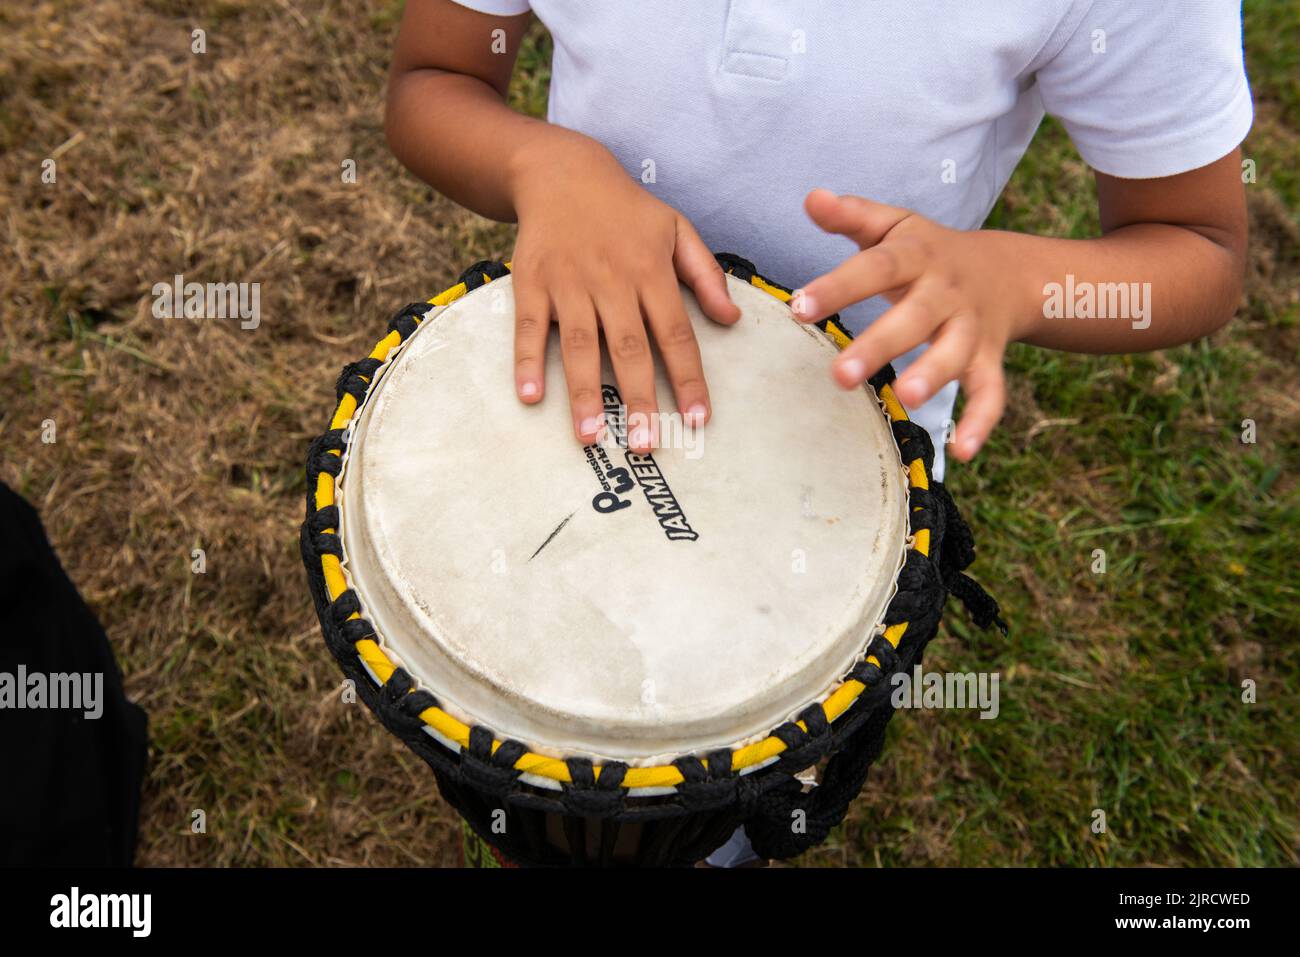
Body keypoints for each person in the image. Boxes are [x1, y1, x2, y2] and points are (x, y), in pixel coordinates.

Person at [384, 0, 1252, 866]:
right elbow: (436, 80)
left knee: (703, 800)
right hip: (571, 394)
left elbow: (1197, 243)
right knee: (542, 724)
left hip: (835, 486)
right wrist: (546, 165)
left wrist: (1017, 280)